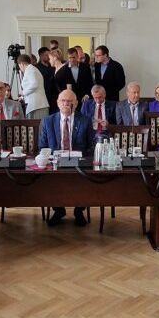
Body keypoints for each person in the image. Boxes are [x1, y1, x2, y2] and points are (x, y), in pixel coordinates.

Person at [38, 89, 94, 226]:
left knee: (85, 178)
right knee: (48, 180)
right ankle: (58, 210)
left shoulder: (85, 120)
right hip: (55, 164)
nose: (66, 104)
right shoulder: (48, 121)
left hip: (78, 164)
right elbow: (42, 146)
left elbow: (91, 146)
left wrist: (83, 159)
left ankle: (79, 210)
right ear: (58, 103)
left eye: (69, 101)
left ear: (76, 103)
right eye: (63, 101)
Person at [16, 54, 50, 120]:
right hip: (35, 105)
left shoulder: (30, 70)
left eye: (19, 65)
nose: (20, 68)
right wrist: (23, 97)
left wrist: (23, 93)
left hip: (37, 105)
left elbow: (34, 84)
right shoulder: (32, 69)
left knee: (38, 125)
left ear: (22, 64)